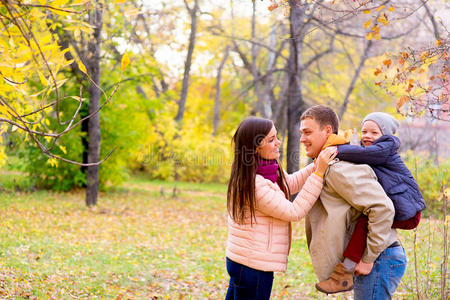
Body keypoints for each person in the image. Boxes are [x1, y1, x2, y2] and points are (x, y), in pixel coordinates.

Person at [299, 105, 407, 299]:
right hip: (376, 257)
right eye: (301, 133)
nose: (302, 139)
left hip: (378, 259)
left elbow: (382, 208)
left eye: (308, 132)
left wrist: (368, 258)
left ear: (327, 131)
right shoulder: (326, 164)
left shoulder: (339, 168)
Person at [225, 116, 337, 300]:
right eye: (271, 140)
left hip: (242, 260)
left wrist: (317, 164)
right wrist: (319, 173)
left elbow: (290, 184)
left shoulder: (263, 168)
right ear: (255, 147)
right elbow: (294, 212)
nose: (278, 143)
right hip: (253, 267)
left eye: (276, 137)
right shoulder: (255, 184)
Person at [316, 112, 425, 294]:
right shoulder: (370, 153)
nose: (367, 136)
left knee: (365, 222)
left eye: (374, 133)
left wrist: (335, 150)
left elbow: (363, 154)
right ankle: (344, 272)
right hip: (399, 206)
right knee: (366, 219)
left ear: (386, 135)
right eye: (364, 131)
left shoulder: (385, 148)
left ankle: (345, 272)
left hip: (410, 210)